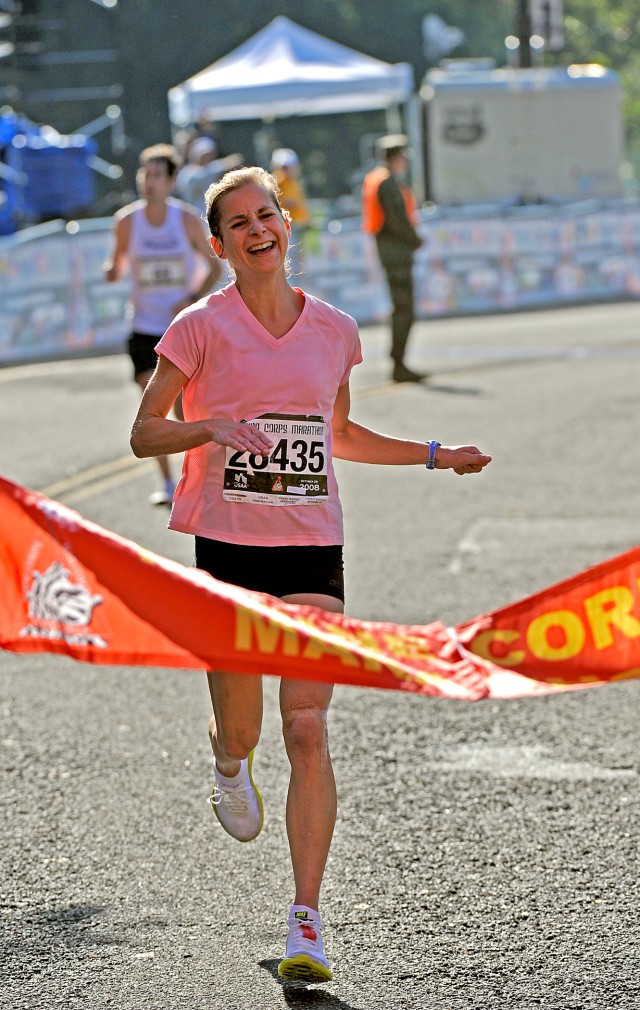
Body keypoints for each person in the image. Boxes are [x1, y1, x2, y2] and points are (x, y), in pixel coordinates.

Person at [129, 166, 491, 984]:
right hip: (227, 548)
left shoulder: (334, 330)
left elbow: (340, 436)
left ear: (286, 226)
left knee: (307, 726)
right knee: (249, 731)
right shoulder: (198, 328)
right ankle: (226, 759)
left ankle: (307, 922)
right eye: (240, 223)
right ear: (220, 245)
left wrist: (436, 454)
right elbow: (145, 433)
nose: (259, 230)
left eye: (269, 215)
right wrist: (210, 425)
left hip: (310, 546)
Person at [104, 143, 222, 506]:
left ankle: (197, 475)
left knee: (185, 408)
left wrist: (192, 297)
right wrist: (109, 272)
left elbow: (215, 266)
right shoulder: (127, 221)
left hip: (179, 326)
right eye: (145, 173)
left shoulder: (184, 220)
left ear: (171, 181)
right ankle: (167, 482)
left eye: (157, 174)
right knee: (151, 406)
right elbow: (117, 266)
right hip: (142, 325)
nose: (149, 181)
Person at [362, 134, 425, 383]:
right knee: (404, 309)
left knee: (401, 308)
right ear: (395, 158)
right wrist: (416, 241)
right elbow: (397, 220)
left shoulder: (376, 179)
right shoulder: (387, 183)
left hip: (390, 253)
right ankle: (399, 363)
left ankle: (398, 361)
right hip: (396, 254)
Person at [270, 148, 311, 275]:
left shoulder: (294, 182)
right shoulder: (276, 181)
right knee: (289, 261)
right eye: (284, 167)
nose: (286, 170)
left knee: (298, 262)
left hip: (297, 226)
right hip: (285, 227)